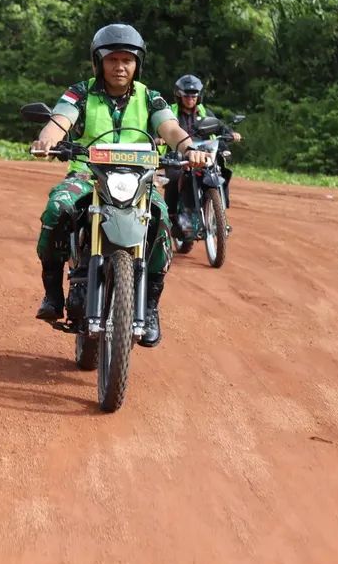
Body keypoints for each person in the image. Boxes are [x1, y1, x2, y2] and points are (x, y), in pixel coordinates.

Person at [29, 24, 211, 348]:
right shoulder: (80, 92)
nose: (120, 66)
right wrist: (47, 141)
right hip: (87, 175)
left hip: (139, 179)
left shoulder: (150, 97)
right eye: (112, 59)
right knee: (57, 208)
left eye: (127, 60)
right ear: (98, 61)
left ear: (137, 64)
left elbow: (170, 129)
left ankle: (150, 307)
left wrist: (189, 149)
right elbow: (60, 120)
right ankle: (53, 294)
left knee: (161, 221)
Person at [165, 73, 242, 215]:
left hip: (204, 152)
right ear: (179, 96)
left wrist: (232, 133)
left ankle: (220, 212)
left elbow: (220, 126)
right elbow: (162, 128)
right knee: (174, 178)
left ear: (199, 96)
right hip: (178, 154)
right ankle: (171, 215)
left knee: (221, 171)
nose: (190, 98)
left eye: (193, 95)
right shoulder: (169, 112)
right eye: (186, 95)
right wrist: (159, 139)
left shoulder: (205, 112)